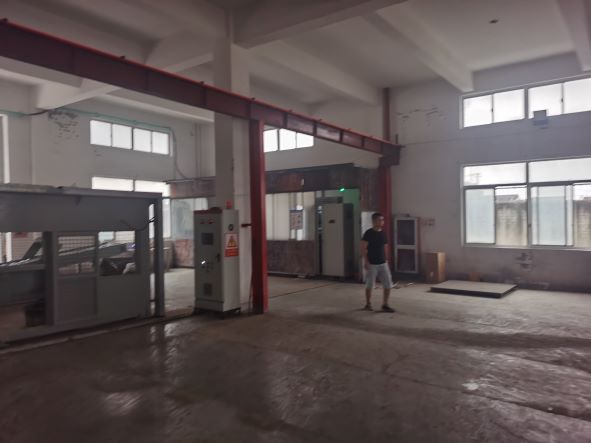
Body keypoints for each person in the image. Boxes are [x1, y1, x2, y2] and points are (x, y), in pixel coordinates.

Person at [361, 213, 396, 312]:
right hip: (372, 264)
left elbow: (385, 247)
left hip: (383, 263)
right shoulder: (368, 233)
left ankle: (385, 304)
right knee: (370, 285)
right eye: (379, 220)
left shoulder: (383, 233)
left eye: (382, 220)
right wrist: (366, 261)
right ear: (374, 221)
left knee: (388, 284)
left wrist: (387, 259)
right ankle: (368, 304)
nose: (382, 222)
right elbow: (363, 248)